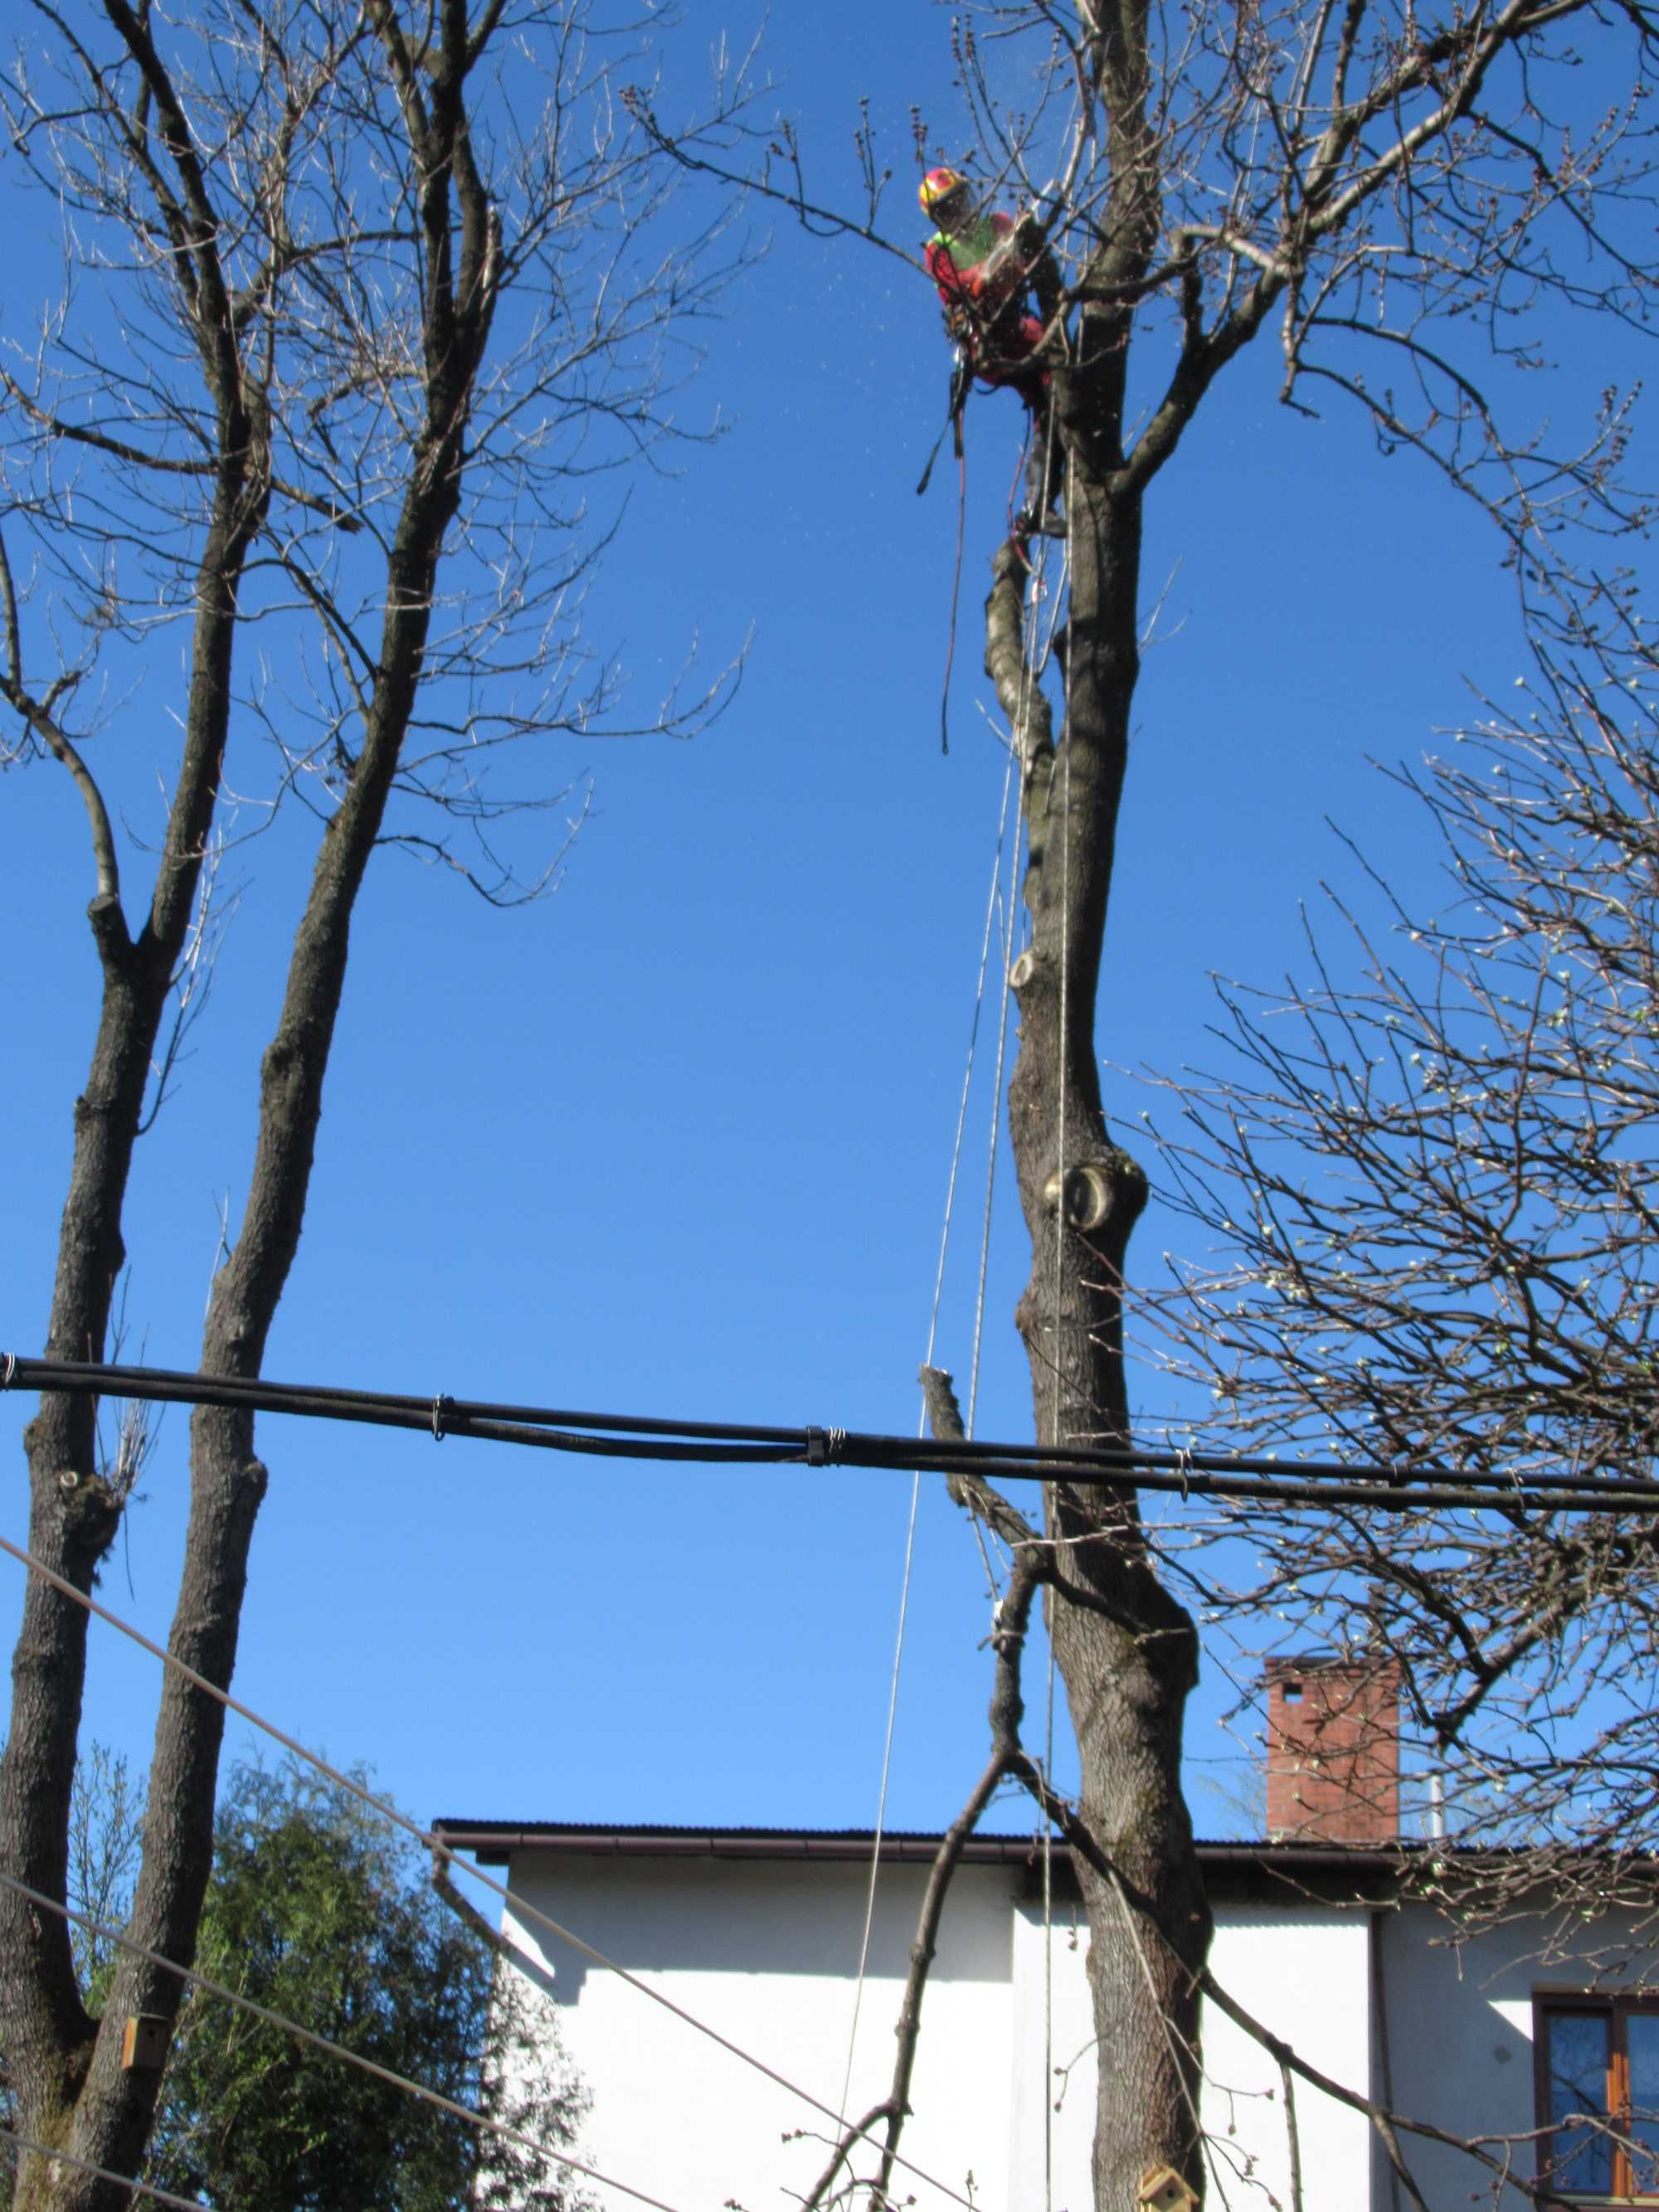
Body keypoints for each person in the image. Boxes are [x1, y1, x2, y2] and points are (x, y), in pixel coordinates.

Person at [919, 168, 1063, 534]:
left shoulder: (998, 224)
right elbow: (964, 287)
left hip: (1017, 326)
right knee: (1054, 366)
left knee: (1053, 397)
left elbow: (1025, 260)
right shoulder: (938, 252)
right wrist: (988, 271)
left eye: (960, 203)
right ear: (938, 218)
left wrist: (1022, 239)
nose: (958, 212)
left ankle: (1037, 504)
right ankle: (1039, 500)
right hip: (987, 341)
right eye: (948, 210)